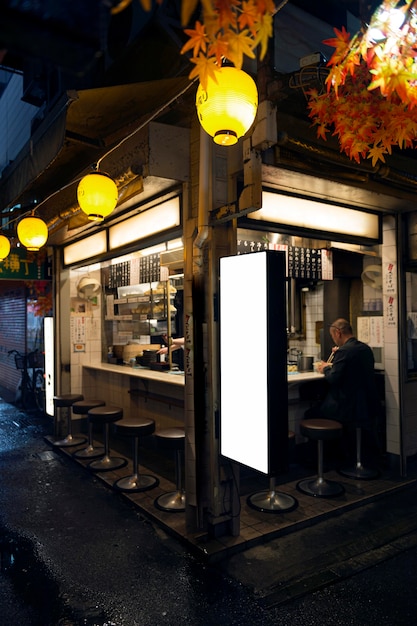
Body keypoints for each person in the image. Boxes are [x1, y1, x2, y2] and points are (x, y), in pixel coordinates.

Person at [314, 318, 382, 463]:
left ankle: (324, 460)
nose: (334, 339)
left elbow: (333, 379)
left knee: (313, 412)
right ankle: (352, 457)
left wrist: (325, 368)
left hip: (348, 407)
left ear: (338, 333)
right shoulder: (365, 348)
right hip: (368, 404)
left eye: (333, 336)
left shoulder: (344, 351)